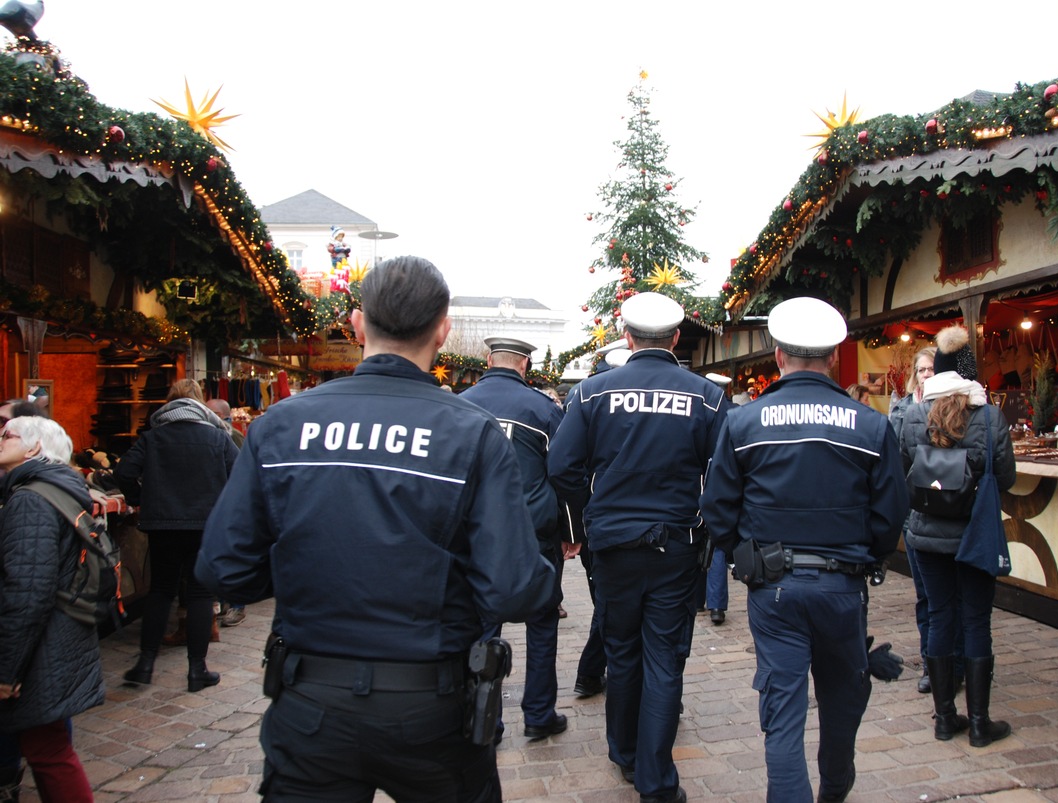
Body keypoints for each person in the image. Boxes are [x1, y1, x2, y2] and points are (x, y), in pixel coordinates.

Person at [195, 256, 556, 801]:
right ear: (442, 329)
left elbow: (225, 569)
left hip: (312, 700)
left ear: (358, 325)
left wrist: (306, 564)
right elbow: (512, 588)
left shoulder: (281, 426)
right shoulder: (472, 434)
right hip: (429, 707)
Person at [701, 298, 907, 803]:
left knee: (783, 718)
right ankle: (834, 790)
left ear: (778, 356)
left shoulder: (745, 423)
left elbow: (717, 508)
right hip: (842, 586)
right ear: (835, 357)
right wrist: (868, 557)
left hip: (774, 590)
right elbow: (890, 515)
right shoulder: (870, 425)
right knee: (841, 703)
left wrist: (741, 554)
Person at [548, 291, 727, 803]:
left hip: (612, 546)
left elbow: (561, 468)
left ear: (627, 338)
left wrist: (590, 514)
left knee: (622, 653)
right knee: (664, 659)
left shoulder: (591, 393)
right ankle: (655, 779)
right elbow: (724, 473)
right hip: (675, 545)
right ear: (675, 338)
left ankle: (624, 753)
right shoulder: (707, 397)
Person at [899, 325, 1016, 748]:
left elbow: (902, 472)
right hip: (976, 534)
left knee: (940, 616)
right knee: (976, 620)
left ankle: (945, 719)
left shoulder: (913, 415)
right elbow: (1006, 476)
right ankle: (981, 723)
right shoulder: (988, 415)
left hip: (927, 536)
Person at [460, 336, 581, 742]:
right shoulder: (543, 409)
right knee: (542, 624)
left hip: (476, 534)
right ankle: (538, 712)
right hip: (533, 533)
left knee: (480, 627)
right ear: (525, 365)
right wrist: (571, 532)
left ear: (488, 360)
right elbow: (563, 473)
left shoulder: (462, 405)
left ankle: (483, 719)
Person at [0, 415, 104, 801]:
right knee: (48, 745)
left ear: (34, 448)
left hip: (43, 642)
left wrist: (8, 670)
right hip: (57, 634)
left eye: (7, 434)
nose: (0, 438)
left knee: (49, 750)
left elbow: (27, 590)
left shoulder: (30, 499)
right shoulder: (50, 488)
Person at [115, 379, 239, 693]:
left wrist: (140, 499)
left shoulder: (153, 437)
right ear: (199, 402)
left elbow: (124, 473)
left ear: (170, 402)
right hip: (206, 526)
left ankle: (145, 664)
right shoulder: (217, 437)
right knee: (200, 595)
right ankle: (197, 670)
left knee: (160, 592)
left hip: (163, 526)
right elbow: (241, 477)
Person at [888, 347, 964, 695]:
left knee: (953, 597)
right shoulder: (904, 409)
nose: (926, 375)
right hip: (917, 513)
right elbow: (898, 460)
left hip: (951, 512)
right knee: (926, 596)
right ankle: (932, 663)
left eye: (931, 369)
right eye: (921, 370)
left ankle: (956, 664)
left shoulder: (962, 407)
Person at [204, 398, 247, 628]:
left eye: (210, 412)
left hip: (231, 504)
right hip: (215, 503)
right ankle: (221, 604)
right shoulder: (211, 435)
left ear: (222, 415)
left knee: (232, 557)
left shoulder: (233, 437)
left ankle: (237, 607)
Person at [701, 373, 733, 625]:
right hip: (721, 486)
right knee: (716, 545)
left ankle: (697, 598)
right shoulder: (735, 413)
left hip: (698, 483)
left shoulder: (701, 409)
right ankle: (716, 605)